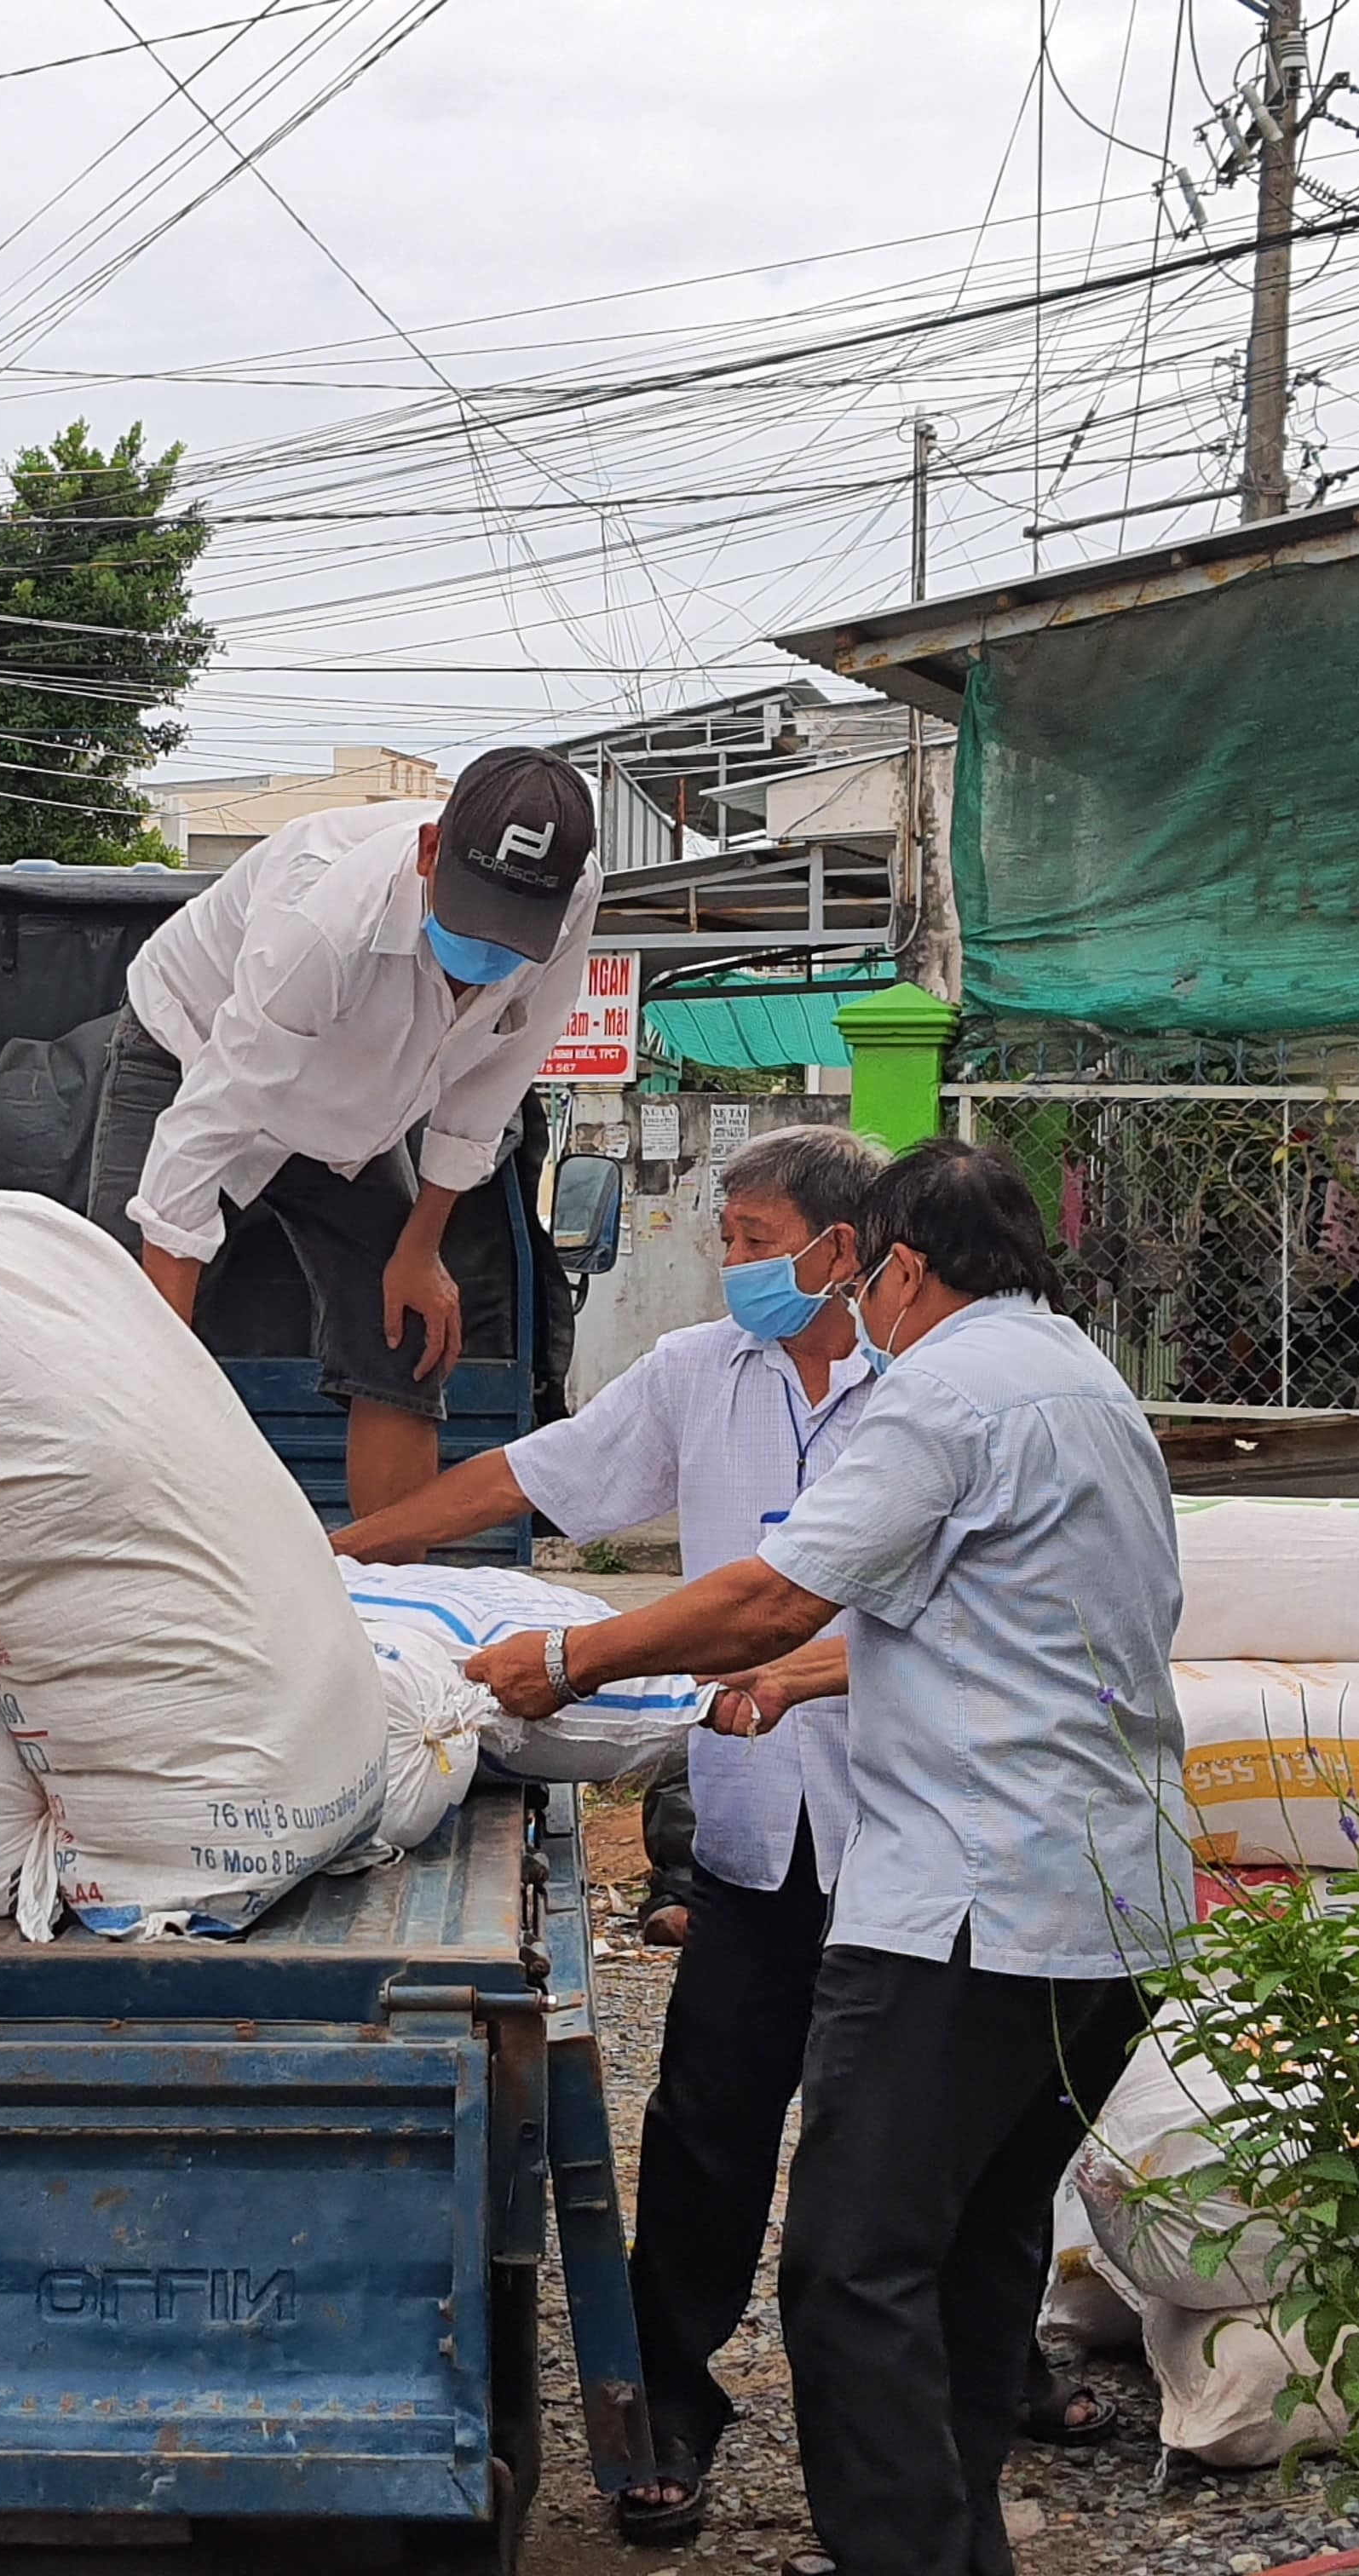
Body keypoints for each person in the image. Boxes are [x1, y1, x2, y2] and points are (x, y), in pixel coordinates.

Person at [467, 1140, 1187, 2576]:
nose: (854, 1303)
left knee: (850, 2268)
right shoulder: (1080, 1381)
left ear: (900, 1265)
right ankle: (951, 2535)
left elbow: (767, 1591)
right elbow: (1008, 1610)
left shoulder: (934, 1391)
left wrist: (567, 1653)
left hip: (967, 1909)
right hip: (1113, 1903)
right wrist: (807, 1680)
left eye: (863, 1274)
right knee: (971, 2250)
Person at [87, 749, 596, 1516]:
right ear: (430, 851)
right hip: (193, 1056)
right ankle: (111, 1571)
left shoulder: (574, 894)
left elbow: (493, 1087)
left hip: (352, 1111)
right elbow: (201, 1137)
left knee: (408, 1330)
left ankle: (395, 1598)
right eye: (472, 920)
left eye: (511, 935)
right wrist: (159, 1368)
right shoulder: (320, 916)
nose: (484, 961)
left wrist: (421, 1249)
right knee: (126, 1338)